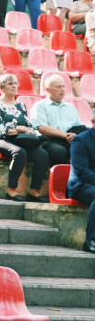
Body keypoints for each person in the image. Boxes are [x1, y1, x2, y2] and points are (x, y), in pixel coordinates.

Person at [0, 72, 52, 202]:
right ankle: (11, 190)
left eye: (16, 83)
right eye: (10, 83)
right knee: (19, 152)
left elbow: (28, 124)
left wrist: (30, 130)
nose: (14, 86)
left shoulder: (20, 105)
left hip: (18, 139)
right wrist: (17, 129)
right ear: (2, 87)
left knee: (42, 154)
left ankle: (34, 191)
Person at [31, 74, 86, 167]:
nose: (62, 89)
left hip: (69, 140)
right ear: (48, 90)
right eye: (58, 87)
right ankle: (60, 180)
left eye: (63, 86)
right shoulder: (39, 106)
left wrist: (74, 136)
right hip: (49, 140)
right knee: (59, 151)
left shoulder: (70, 107)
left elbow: (79, 127)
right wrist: (65, 135)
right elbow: (42, 128)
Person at [67, 107, 95, 254]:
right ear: (93, 122)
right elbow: (82, 171)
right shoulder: (81, 140)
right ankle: (90, 240)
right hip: (81, 184)